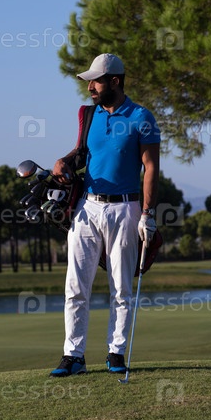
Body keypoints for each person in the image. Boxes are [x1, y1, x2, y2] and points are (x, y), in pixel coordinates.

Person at [48, 53, 160, 376]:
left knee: (121, 287)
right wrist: (64, 161)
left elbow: (151, 168)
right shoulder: (89, 115)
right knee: (75, 286)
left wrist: (148, 214)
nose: (90, 88)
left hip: (126, 208)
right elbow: (82, 153)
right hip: (87, 207)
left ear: (114, 81)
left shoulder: (142, 117)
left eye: (95, 82)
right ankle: (73, 356)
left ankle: (116, 353)